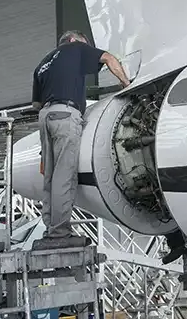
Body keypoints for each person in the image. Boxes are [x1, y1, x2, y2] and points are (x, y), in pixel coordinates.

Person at [32, 30, 131, 240]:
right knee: (63, 175)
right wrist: (127, 84)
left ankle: (50, 228)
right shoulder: (75, 48)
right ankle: (60, 232)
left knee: (49, 176)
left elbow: (36, 104)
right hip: (65, 115)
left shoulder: (42, 64)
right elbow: (108, 58)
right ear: (72, 40)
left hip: (44, 117)